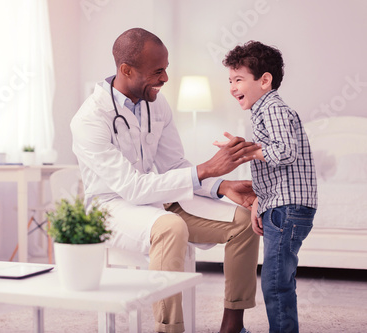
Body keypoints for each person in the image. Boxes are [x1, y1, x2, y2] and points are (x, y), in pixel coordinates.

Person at [71, 28, 260, 333]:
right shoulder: (90, 118)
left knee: (243, 221)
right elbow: (131, 188)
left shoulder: (155, 104)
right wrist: (206, 170)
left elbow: (174, 164)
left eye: (166, 69)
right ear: (126, 70)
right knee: (171, 227)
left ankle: (233, 326)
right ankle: (168, 329)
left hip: (159, 198)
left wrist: (222, 187)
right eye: (158, 71)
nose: (165, 79)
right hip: (112, 208)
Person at [220, 41, 318, 333]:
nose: (232, 86)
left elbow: (284, 152)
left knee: (275, 283)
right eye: (230, 80)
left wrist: (246, 151)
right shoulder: (264, 110)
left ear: (264, 80)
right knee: (279, 279)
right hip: (279, 205)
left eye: (239, 79)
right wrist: (259, 204)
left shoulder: (272, 108)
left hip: (287, 208)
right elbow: (273, 168)